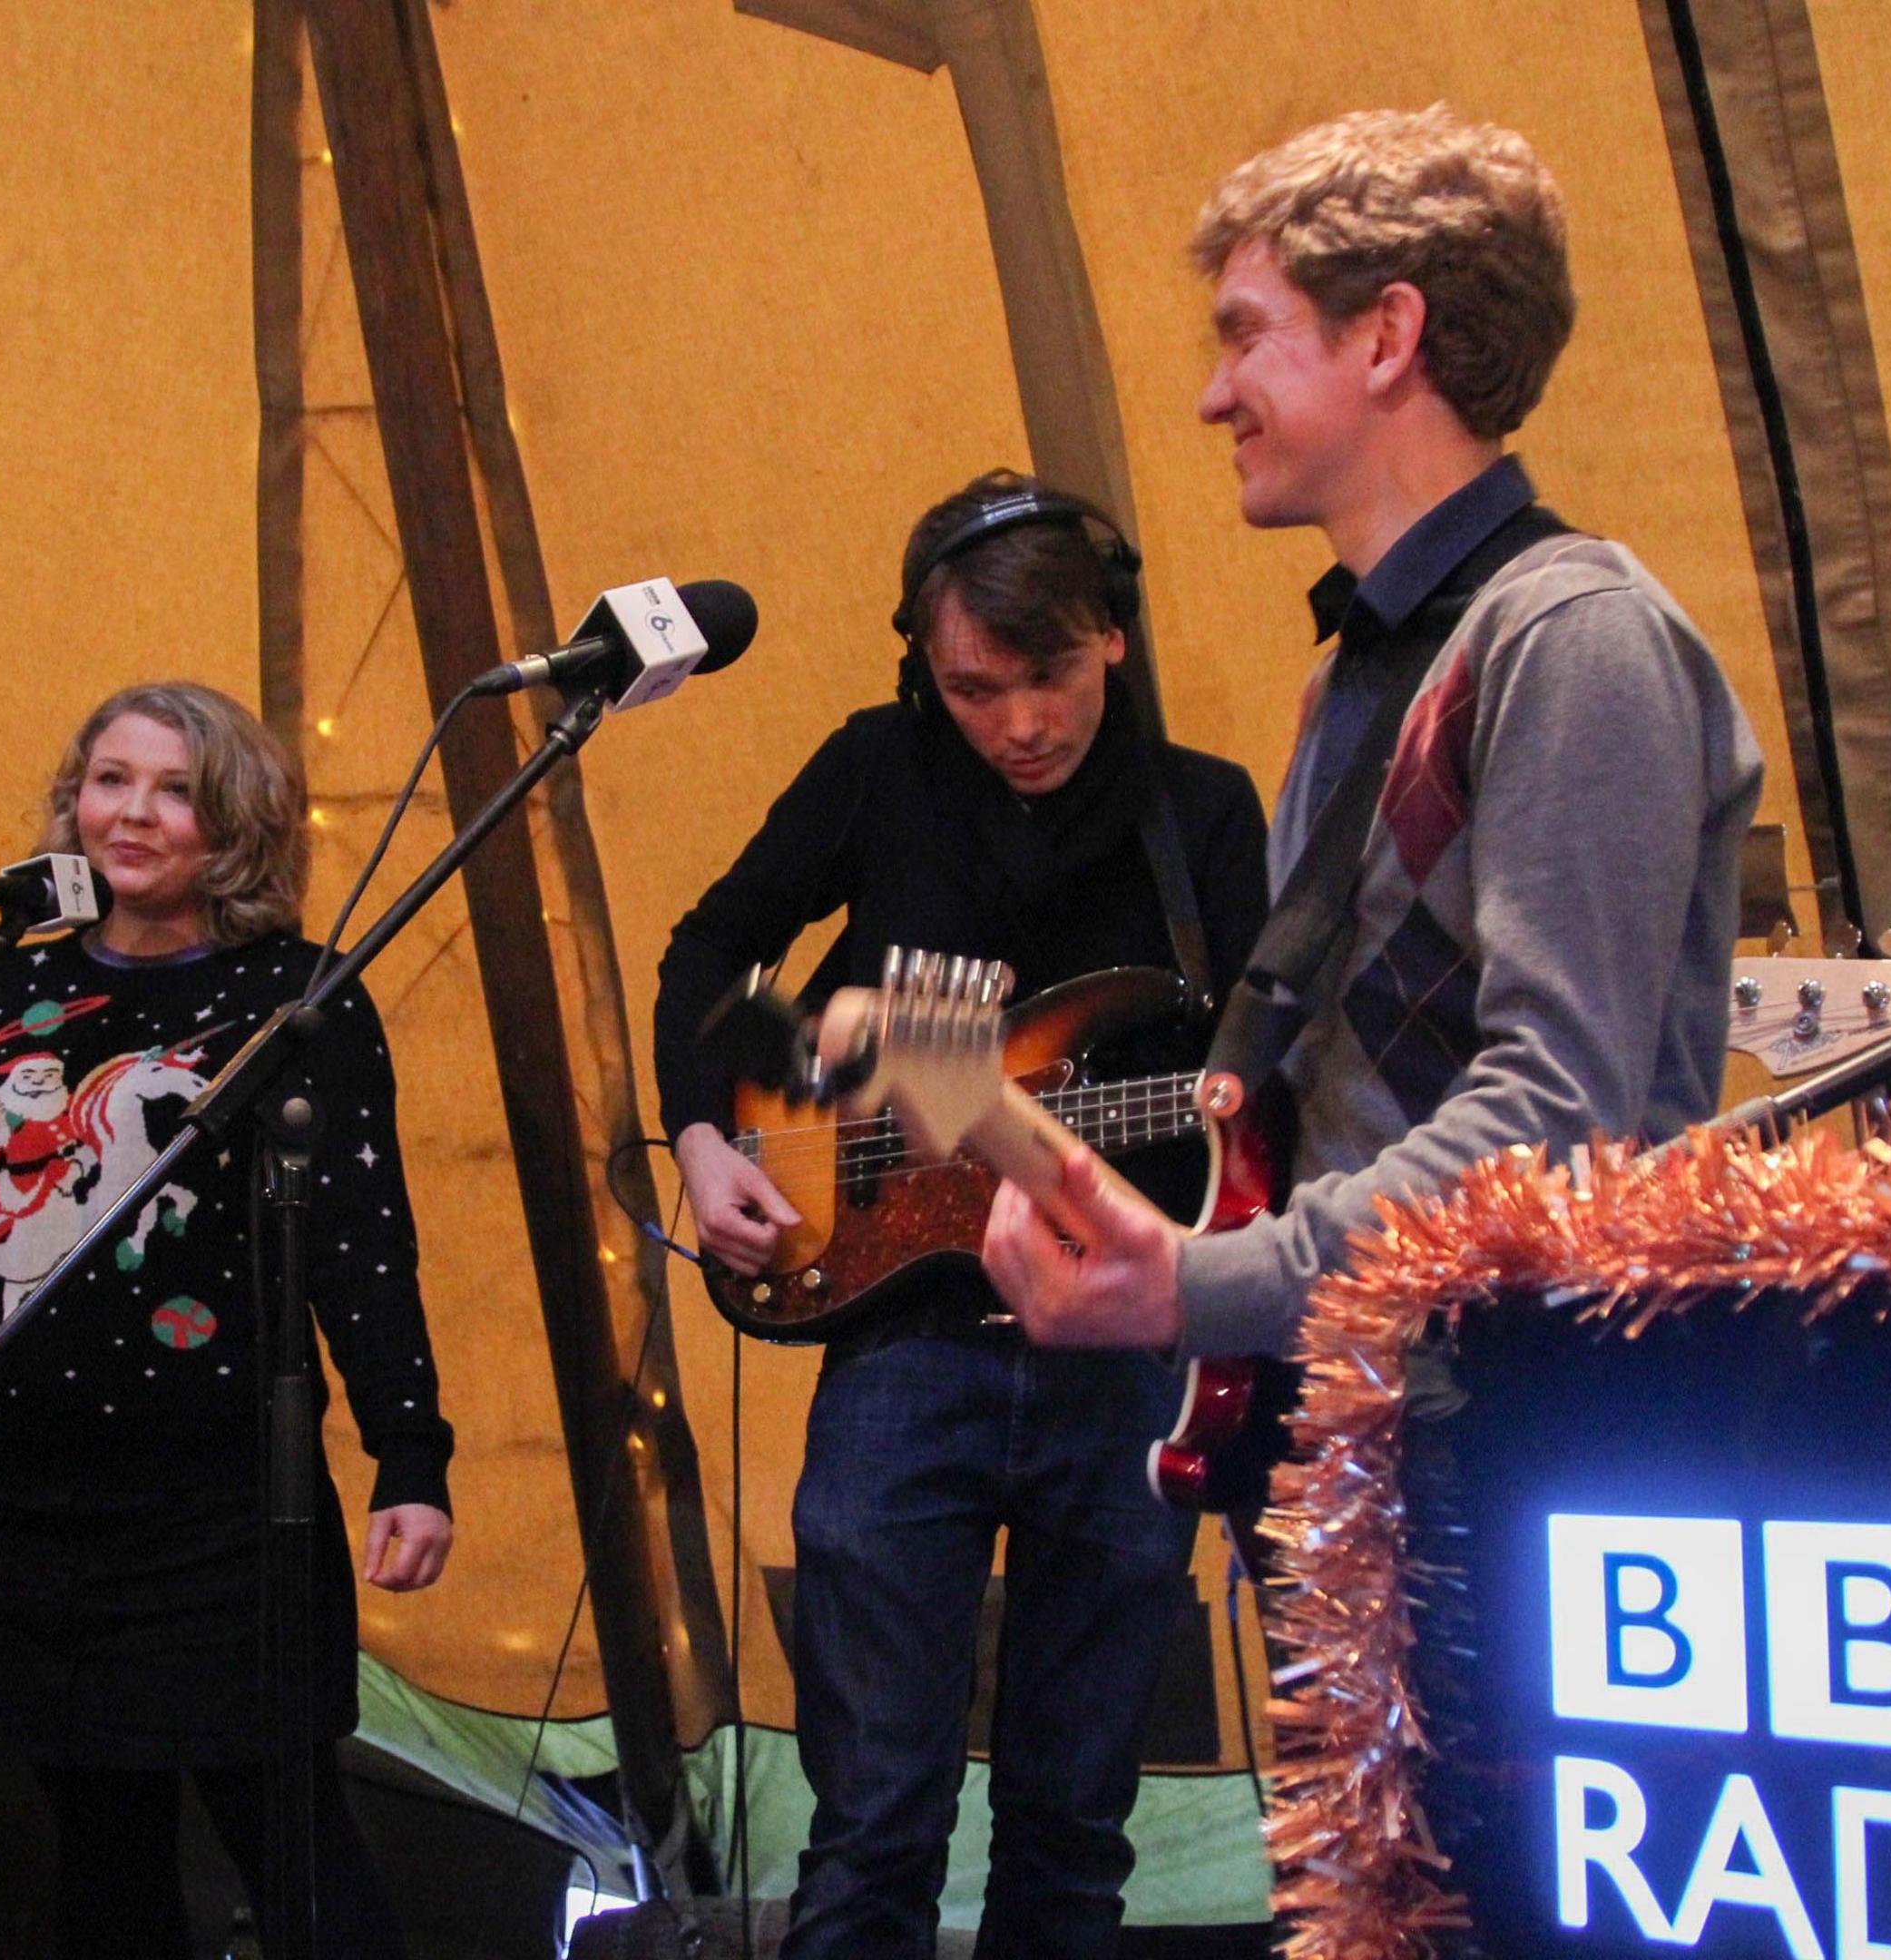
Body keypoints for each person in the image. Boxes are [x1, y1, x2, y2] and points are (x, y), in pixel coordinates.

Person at [980, 111, 1765, 1377]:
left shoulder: (1575, 636)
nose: (1211, 394)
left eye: (1246, 333)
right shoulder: (1356, 679)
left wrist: (1209, 1285)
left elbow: (1556, 1127)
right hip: (1380, 1416)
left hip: (1533, 1419)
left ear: (1389, 337)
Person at [654, 474, 1270, 1957]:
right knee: (871, 1827)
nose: (1022, 724)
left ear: (1111, 638)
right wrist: (701, 1132)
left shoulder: (1205, 816)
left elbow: (1267, 1081)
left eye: (1048, 675)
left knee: (1073, 1831)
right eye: (974, 688)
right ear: (925, 668)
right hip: (901, 1339)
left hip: (1121, 1355)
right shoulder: (876, 770)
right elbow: (715, 943)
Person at [0, 680, 452, 1958]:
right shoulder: (0, 992)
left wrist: (413, 1456)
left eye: (176, 788)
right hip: (11, 1502)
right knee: (99, 1866)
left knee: (291, 1847)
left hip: (214, 1506)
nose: (134, 811)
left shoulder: (300, 997)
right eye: (111, 779)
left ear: (234, 823)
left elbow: (361, 1241)